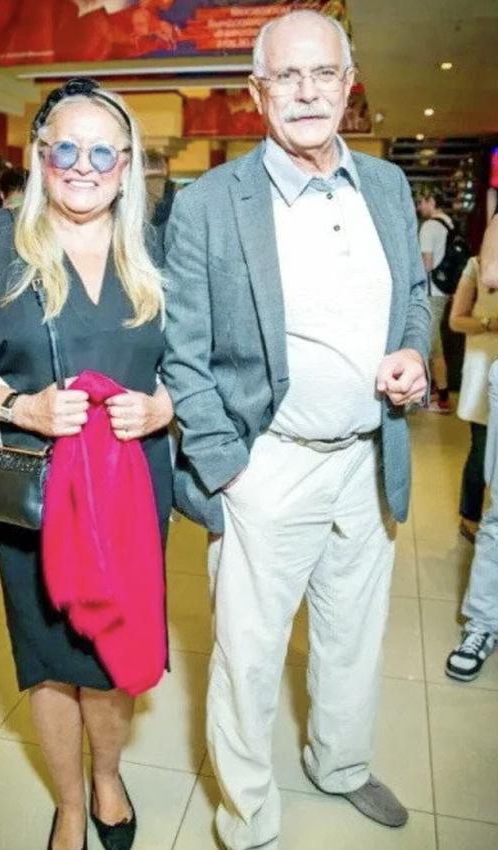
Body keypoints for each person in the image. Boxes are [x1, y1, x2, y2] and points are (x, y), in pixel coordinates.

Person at [161, 11, 430, 849]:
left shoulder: (386, 185)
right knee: (247, 656)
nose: (307, 91)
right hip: (268, 467)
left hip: (368, 459)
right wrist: (230, 470)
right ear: (257, 91)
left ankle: (340, 766)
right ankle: (247, 817)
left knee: (353, 637)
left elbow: (414, 298)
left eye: (324, 73)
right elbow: (182, 354)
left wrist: (414, 353)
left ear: (349, 85)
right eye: (287, 75)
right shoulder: (210, 203)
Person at [0, 77, 173, 850]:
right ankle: (69, 802)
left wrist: (163, 407)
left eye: (103, 152)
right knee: (48, 656)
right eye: (66, 148)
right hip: (36, 492)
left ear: (126, 164)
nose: (83, 166)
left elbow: (193, 364)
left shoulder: (155, 248)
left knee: (109, 652)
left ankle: (108, 777)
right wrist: (19, 407)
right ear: (40, 157)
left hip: (133, 489)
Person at [448, 256, 498, 542]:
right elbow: (456, 320)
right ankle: (470, 516)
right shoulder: (478, 265)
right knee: (482, 450)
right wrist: (490, 323)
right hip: (484, 375)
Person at [417, 188, 456, 413]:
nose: (419, 207)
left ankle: (443, 398)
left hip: (432, 292)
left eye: (421, 202)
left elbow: (427, 264)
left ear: (431, 201)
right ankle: (434, 389)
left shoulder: (429, 226)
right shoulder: (448, 223)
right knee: (433, 342)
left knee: (433, 345)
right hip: (444, 290)